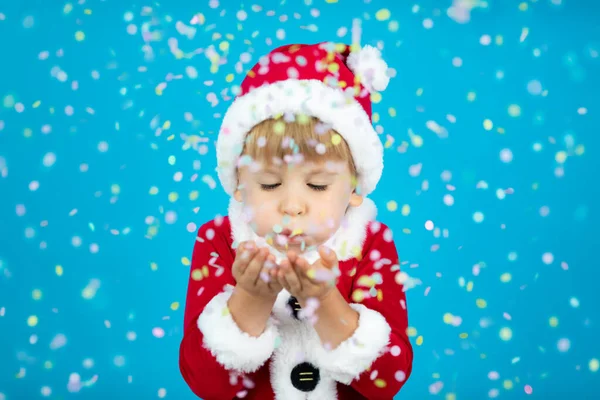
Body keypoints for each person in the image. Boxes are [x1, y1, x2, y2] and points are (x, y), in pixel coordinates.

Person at [179, 41, 413, 400]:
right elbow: (205, 383)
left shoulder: (371, 242)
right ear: (239, 184)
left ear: (354, 188)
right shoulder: (219, 241)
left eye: (317, 185)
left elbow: (387, 380)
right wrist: (251, 300)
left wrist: (324, 301)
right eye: (269, 183)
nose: (292, 206)